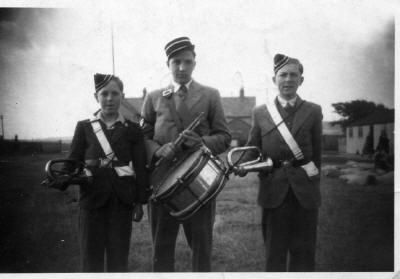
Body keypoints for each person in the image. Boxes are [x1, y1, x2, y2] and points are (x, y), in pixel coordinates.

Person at [140, 36, 231, 272]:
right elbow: (142, 137)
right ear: (167, 64)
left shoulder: (211, 94)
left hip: (199, 182)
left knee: (201, 251)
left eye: (187, 62)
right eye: (176, 62)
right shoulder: (154, 97)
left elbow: (224, 137)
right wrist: (157, 149)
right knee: (161, 250)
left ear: (194, 64)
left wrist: (202, 141)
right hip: (161, 183)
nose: (182, 68)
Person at [50, 74, 150, 272]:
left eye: (115, 93)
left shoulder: (133, 129)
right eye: (104, 94)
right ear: (96, 96)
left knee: (119, 261)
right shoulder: (85, 127)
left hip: (121, 204)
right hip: (91, 203)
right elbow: (72, 160)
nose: (110, 98)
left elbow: (140, 168)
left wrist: (140, 202)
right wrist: (60, 177)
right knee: (90, 261)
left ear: (123, 96)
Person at [236, 54, 322, 271]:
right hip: (273, 191)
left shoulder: (313, 110)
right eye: (283, 75)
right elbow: (252, 147)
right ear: (274, 80)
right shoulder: (260, 112)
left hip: (305, 194)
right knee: (274, 253)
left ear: (301, 80)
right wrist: (239, 165)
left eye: (294, 75)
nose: (288, 79)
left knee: (304, 254)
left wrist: (312, 184)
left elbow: (317, 154)